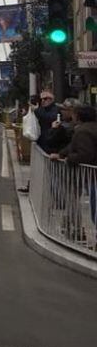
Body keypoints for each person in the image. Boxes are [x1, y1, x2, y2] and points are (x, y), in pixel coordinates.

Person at [49, 104, 97, 243]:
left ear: (79, 116)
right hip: (90, 176)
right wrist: (61, 154)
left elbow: (84, 153)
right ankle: (73, 229)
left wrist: (67, 158)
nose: (72, 116)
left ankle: (76, 232)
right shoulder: (85, 129)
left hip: (91, 176)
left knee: (94, 209)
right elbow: (72, 147)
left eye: (74, 114)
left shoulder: (83, 131)